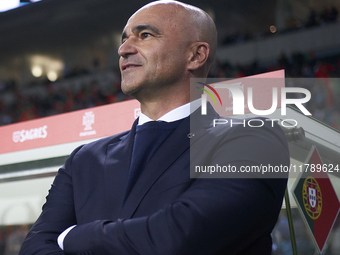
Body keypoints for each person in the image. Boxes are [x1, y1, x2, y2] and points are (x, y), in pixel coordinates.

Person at [20, 1, 290, 254]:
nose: (123, 49)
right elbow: (34, 247)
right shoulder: (84, 160)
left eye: (145, 35)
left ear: (196, 55)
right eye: (125, 38)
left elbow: (179, 235)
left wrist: (71, 237)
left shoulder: (254, 140)